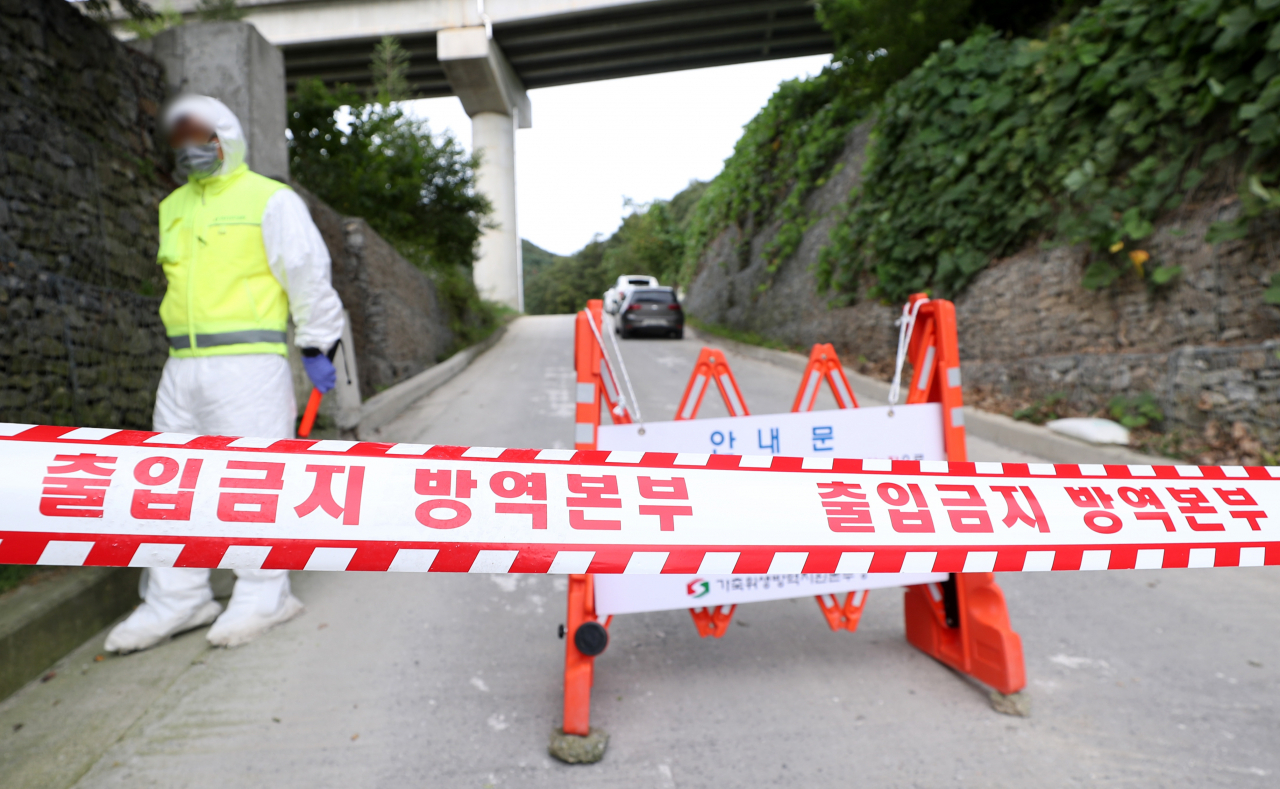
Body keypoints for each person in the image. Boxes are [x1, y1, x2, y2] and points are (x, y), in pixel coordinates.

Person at [105, 95, 345, 653]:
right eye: (181, 138)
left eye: (201, 137)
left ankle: (265, 592)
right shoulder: (173, 207)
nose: (191, 149)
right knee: (167, 485)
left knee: (252, 482)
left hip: (248, 365)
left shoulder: (270, 200)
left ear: (226, 137)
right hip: (182, 365)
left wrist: (315, 345)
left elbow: (309, 277)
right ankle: (177, 597)